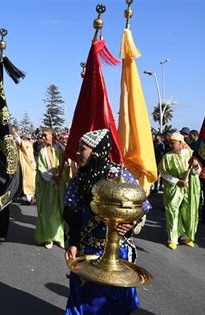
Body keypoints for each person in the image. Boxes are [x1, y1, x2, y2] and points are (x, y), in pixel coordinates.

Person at [63, 129, 151, 315]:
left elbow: (142, 205)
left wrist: (131, 224)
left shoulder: (120, 176)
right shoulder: (79, 178)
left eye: (83, 149)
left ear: (96, 151)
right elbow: (72, 214)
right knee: (84, 300)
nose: (77, 153)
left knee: (110, 302)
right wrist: (72, 243)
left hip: (116, 251)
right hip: (86, 249)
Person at [159, 132, 201, 249]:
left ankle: (188, 236)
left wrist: (196, 165)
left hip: (190, 187)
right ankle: (172, 239)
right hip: (174, 188)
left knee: (189, 210)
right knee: (173, 210)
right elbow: (163, 173)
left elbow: (197, 172)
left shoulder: (192, 154)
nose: (171, 145)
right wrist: (177, 181)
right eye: (170, 143)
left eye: (173, 143)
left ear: (181, 143)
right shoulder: (167, 157)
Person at [35, 129, 69, 249]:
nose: (43, 138)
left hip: (61, 185)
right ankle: (47, 237)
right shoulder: (42, 152)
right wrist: (52, 177)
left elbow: (67, 165)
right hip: (48, 186)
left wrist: (61, 175)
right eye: (42, 136)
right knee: (48, 212)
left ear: (53, 136)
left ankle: (59, 237)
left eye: (45, 136)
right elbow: (41, 168)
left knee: (60, 211)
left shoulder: (61, 149)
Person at [13, 127, 36, 205]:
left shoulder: (25, 143)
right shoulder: (30, 143)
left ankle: (30, 198)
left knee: (28, 180)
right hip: (31, 164)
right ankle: (29, 196)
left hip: (27, 165)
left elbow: (18, 141)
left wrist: (14, 133)